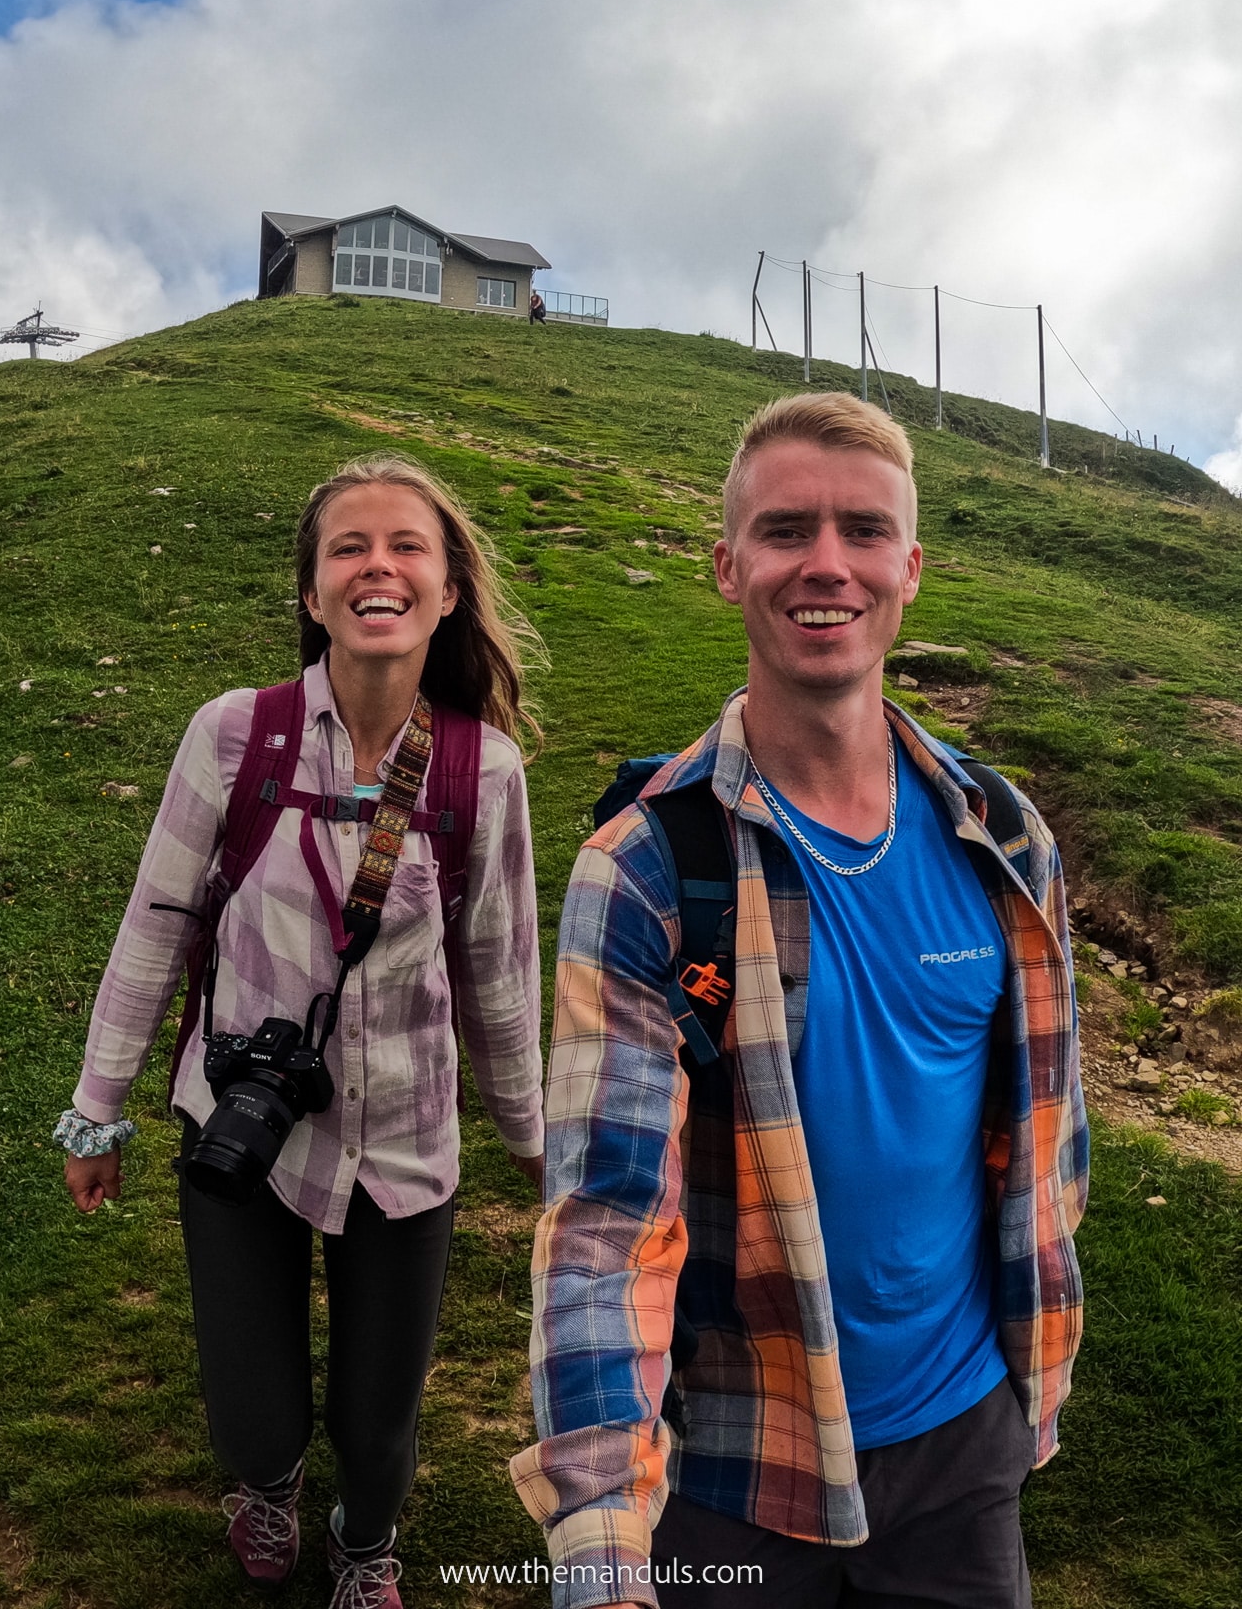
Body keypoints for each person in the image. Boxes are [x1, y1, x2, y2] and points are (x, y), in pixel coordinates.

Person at [511, 394, 1087, 1609]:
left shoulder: (1001, 837)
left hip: (961, 1443)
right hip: (738, 1468)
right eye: (784, 531)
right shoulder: (647, 866)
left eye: (862, 531)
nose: (825, 564)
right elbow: (605, 1230)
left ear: (909, 569)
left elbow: (1044, 1133)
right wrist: (604, 1543)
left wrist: (1036, 1362)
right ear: (728, 567)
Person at [57, 453, 545, 1609]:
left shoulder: (486, 772)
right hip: (240, 1124)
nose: (377, 566)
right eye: (347, 549)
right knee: (251, 1399)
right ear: (313, 592)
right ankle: (264, 1486)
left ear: (447, 589)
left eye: (406, 547)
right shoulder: (237, 737)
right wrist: (98, 1109)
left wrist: (536, 1140)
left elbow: (499, 974)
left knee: (381, 1417)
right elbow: (157, 924)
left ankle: (363, 1542)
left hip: (410, 1139)